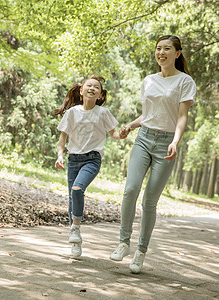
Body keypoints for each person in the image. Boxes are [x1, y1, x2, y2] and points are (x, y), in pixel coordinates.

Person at [109, 35, 196, 273]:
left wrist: (176, 141)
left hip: (166, 143)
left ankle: (140, 252)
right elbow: (147, 114)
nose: (161, 52)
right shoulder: (149, 80)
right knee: (130, 190)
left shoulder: (185, 81)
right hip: (144, 138)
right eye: (158, 48)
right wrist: (130, 126)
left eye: (167, 49)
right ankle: (123, 243)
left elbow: (182, 116)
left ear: (177, 53)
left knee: (149, 201)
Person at [54, 76, 124, 258]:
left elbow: (114, 134)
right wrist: (60, 156)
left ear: (100, 95)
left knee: (77, 190)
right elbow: (62, 139)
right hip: (73, 159)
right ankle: (75, 240)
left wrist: (121, 134)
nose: (92, 88)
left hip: (92, 159)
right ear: (81, 91)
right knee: (72, 198)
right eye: (89, 86)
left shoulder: (103, 113)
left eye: (96, 87)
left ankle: (75, 229)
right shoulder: (72, 113)